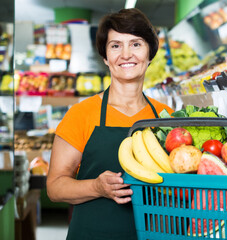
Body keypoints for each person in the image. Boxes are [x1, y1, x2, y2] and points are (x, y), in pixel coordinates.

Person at [46, 8, 174, 240]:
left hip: (156, 234)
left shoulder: (167, 117)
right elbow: (55, 187)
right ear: (105, 57)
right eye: (115, 46)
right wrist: (96, 187)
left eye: (136, 44)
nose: (126, 54)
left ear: (150, 53)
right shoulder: (81, 114)